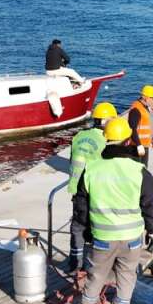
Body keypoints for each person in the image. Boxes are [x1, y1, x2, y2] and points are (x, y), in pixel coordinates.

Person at [55, 116, 153, 304]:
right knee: (126, 280)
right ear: (127, 141)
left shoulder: (92, 170)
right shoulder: (138, 171)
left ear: (106, 139)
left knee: (96, 278)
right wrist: (152, 231)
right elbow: (150, 203)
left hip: (101, 237)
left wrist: (86, 232)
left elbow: (82, 207)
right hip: (131, 239)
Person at [67, 101, 116, 272]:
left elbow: (72, 161)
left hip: (77, 190)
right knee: (98, 229)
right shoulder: (105, 140)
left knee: (78, 227)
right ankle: (96, 266)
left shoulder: (79, 136)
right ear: (106, 121)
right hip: (96, 192)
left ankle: (75, 263)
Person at [126, 85, 153, 166]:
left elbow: (149, 125)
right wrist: (138, 145)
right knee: (137, 170)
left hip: (145, 145)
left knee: (144, 169)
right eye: (151, 98)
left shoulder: (147, 108)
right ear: (144, 97)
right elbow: (132, 129)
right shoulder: (136, 109)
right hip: (136, 147)